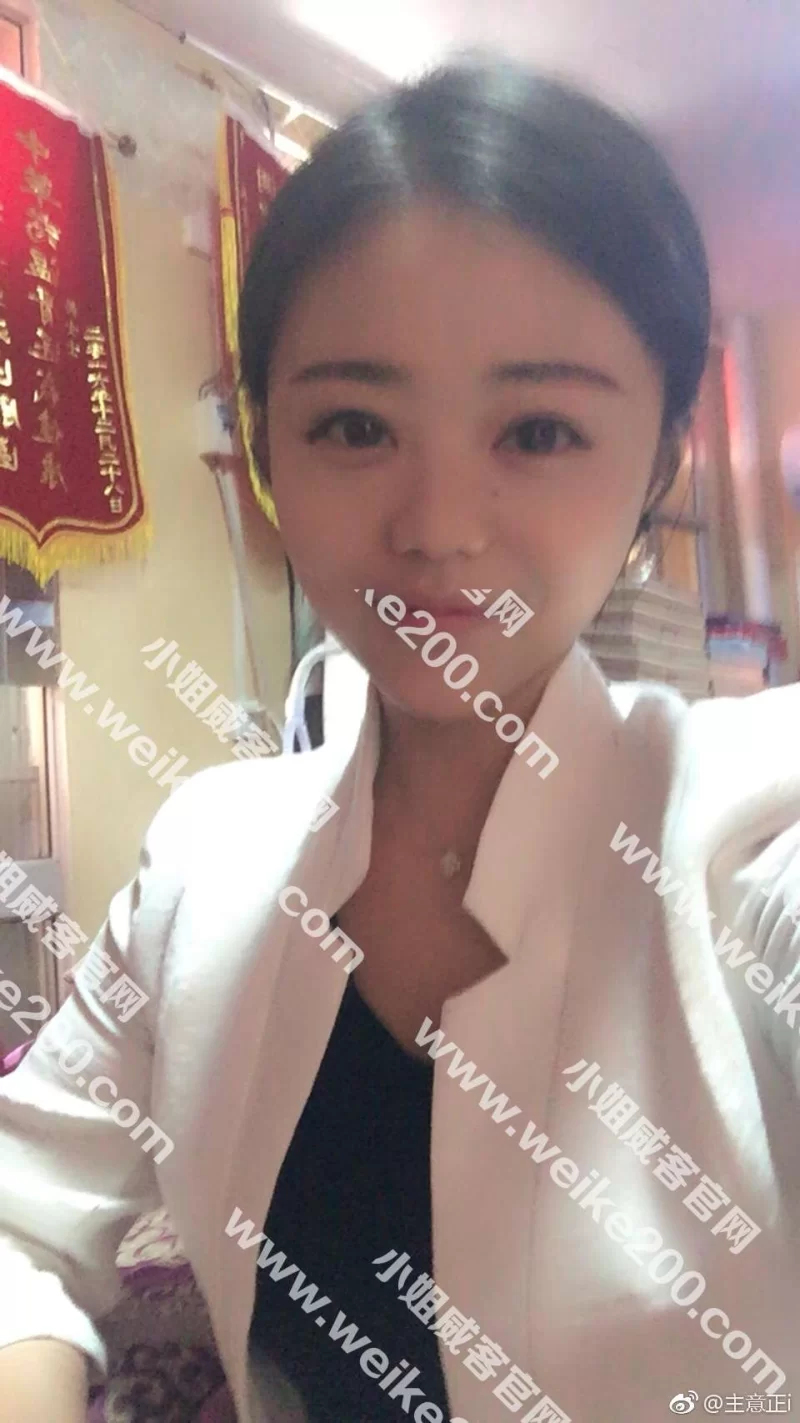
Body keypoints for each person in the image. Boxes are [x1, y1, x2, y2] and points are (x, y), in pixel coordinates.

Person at [1, 56, 799, 1423]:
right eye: (356, 424)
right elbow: (21, 1206)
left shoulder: (751, 832)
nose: (438, 526)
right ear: (269, 445)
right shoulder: (209, 858)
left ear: (663, 459)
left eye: (537, 429)